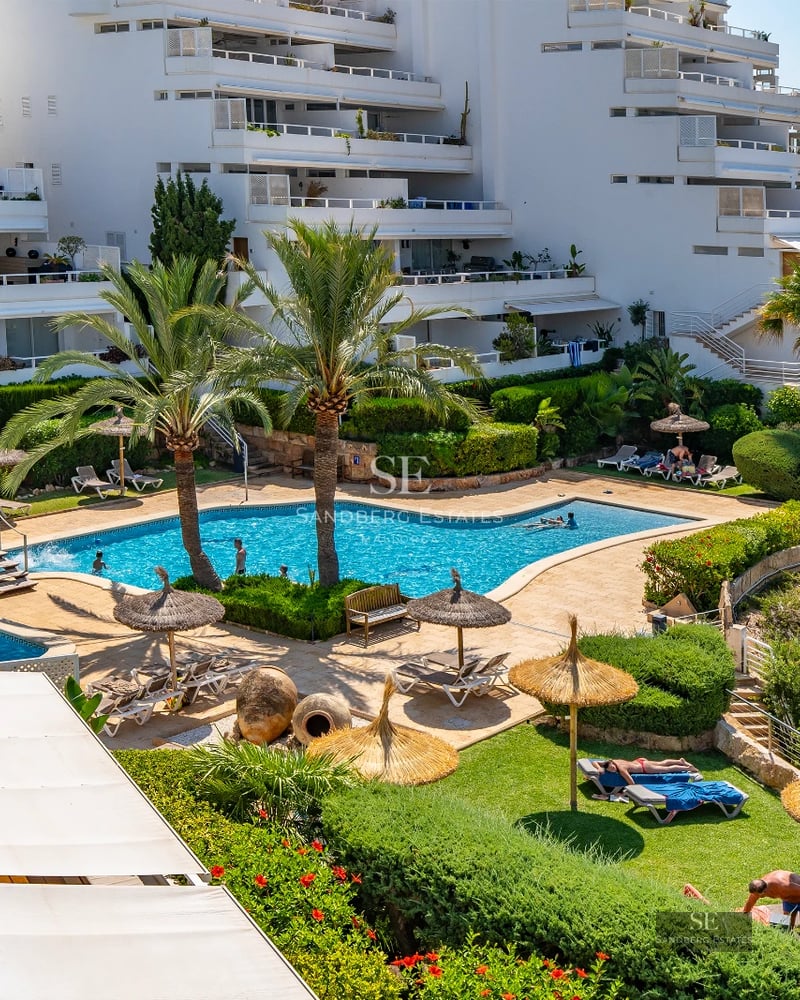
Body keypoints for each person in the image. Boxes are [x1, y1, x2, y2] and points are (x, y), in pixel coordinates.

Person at [596, 756, 700, 786]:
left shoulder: (622, 769)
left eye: (613, 768)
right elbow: (594, 762)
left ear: (612, 764)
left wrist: (627, 791)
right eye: (611, 770)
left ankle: (688, 769)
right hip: (640, 761)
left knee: (666, 769)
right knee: (662, 763)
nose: (613, 770)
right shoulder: (613, 761)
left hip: (644, 768)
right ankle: (680, 761)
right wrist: (599, 768)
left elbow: (631, 781)